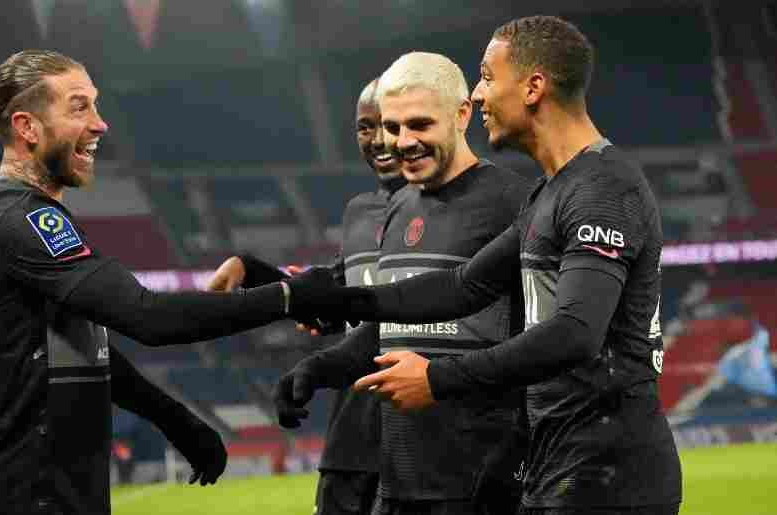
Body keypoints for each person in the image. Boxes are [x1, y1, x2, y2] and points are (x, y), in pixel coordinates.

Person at [285, 16, 683, 515]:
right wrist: (339, 298)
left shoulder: (601, 187)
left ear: (534, 86)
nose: (479, 93)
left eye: (488, 76)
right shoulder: (551, 191)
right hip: (557, 465)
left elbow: (575, 332)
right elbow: (461, 286)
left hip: (610, 475)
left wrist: (437, 378)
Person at [0, 49, 307, 515]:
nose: (100, 124)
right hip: (28, 496)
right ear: (27, 127)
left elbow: (82, 345)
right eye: (79, 107)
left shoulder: (11, 214)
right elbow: (149, 317)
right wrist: (291, 295)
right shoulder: (23, 219)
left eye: (95, 105)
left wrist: (174, 418)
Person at [275, 52, 531, 515]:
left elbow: (545, 342)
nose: (401, 142)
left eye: (419, 124)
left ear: (461, 114)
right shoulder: (398, 209)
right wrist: (317, 370)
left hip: (482, 481)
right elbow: (388, 328)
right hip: (397, 480)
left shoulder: (513, 202)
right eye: (392, 127)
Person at [208, 78, 406, 515]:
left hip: (424, 443)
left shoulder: (454, 211)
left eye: (389, 124)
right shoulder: (360, 212)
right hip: (351, 444)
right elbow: (336, 305)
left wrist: (316, 364)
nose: (376, 140)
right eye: (364, 127)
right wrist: (255, 271)